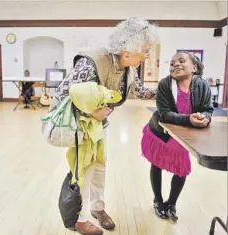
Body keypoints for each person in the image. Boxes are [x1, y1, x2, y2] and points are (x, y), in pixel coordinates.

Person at [50, 17, 158, 235]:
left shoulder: (128, 68)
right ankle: (78, 219)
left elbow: (139, 91)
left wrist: (164, 91)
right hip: (80, 123)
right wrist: (89, 111)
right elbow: (61, 94)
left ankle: (98, 208)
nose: (147, 55)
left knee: (100, 165)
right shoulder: (92, 62)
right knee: (83, 170)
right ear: (128, 50)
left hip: (100, 124)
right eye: (145, 50)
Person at [141, 52, 214, 222]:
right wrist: (189, 119)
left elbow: (207, 109)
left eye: (181, 61)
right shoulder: (165, 84)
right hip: (161, 134)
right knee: (156, 165)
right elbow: (165, 114)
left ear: (194, 67)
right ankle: (158, 201)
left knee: (182, 170)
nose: (176, 65)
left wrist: (205, 118)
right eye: (172, 63)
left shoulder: (202, 85)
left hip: (184, 137)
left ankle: (171, 203)